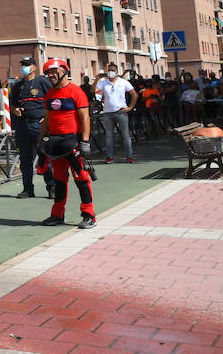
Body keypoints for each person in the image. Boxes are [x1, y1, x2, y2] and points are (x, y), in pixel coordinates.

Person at [39, 58, 97, 230]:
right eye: (48, 73)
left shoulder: (76, 91)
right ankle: (57, 214)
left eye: (54, 71)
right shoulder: (49, 94)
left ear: (64, 71)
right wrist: (40, 141)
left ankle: (89, 215)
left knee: (81, 178)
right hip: (56, 143)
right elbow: (47, 119)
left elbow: (85, 118)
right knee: (59, 180)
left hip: (74, 142)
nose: (51, 75)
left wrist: (85, 141)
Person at [9, 56, 52, 199]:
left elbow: (54, 99)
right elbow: (13, 104)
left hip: (39, 125)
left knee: (45, 156)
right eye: (23, 65)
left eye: (27, 65)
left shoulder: (42, 81)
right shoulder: (18, 86)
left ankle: (52, 187)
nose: (24, 68)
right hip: (23, 125)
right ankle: (28, 189)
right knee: (25, 159)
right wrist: (15, 110)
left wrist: (46, 118)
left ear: (34, 67)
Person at [94, 62, 137, 164]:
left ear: (117, 71)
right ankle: (110, 157)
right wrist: (96, 79)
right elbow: (93, 90)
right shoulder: (104, 82)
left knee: (125, 135)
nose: (110, 72)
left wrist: (130, 107)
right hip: (108, 113)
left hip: (121, 112)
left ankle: (129, 156)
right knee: (109, 136)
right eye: (109, 70)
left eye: (113, 70)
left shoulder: (123, 82)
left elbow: (134, 94)